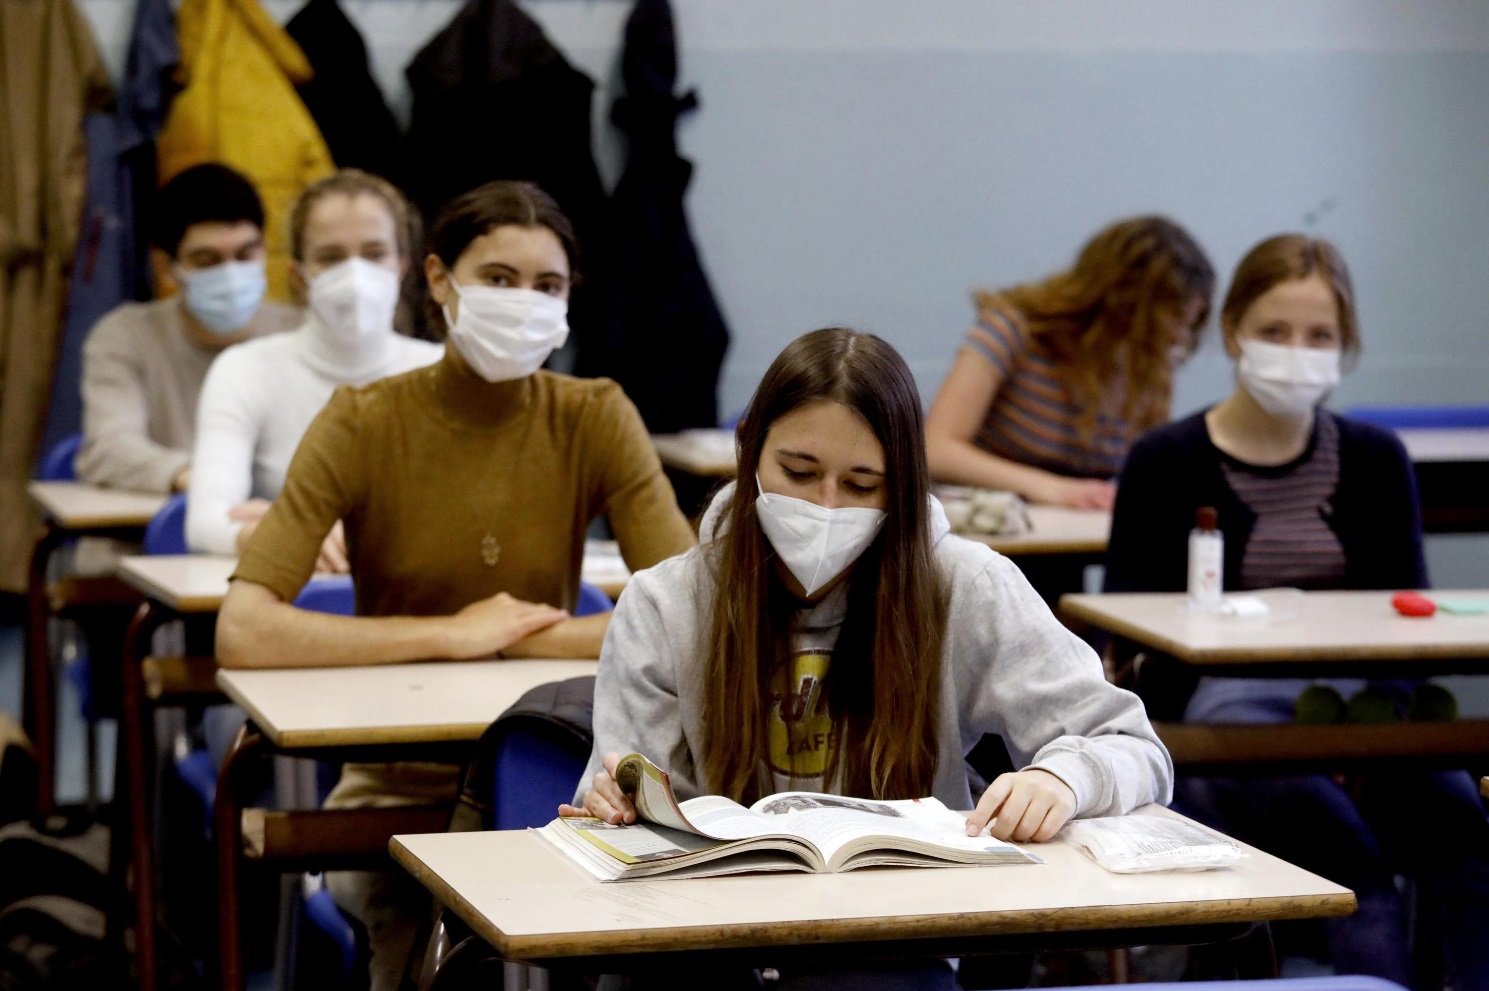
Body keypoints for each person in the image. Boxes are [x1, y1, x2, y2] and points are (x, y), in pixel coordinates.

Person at [565, 327, 1172, 988]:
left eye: (861, 484)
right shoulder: (666, 602)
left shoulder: (962, 584)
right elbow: (630, 808)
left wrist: (1062, 778)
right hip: (709, 940)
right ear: (748, 451)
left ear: (904, 485)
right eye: (797, 472)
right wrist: (614, 804)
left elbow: (1129, 743)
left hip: (892, 942)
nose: (825, 505)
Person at [215, 180, 695, 991]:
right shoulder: (362, 418)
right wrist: (447, 631)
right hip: (396, 773)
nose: (523, 303)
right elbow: (244, 629)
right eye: (498, 279)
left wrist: (513, 633)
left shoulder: (595, 413)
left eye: (547, 286)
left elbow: (690, 616)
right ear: (438, 281)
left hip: (564, 770)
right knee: (430, 957)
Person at [1104, 234, 1489, 988]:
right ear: (1231, 332)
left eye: (1320, 336)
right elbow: (1128, 645)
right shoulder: (1164, 460)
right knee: (1355, 874)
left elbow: (1407, 623)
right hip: (1222, 733)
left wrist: (1368, 735)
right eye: (1274, 332)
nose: (1296, 352)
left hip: (1369, 721)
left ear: (1345, 347)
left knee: (1464, 838)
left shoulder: (1377, 459)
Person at [185, 169, 441, 564]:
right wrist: (285, 535)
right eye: (330, 257)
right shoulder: (244, 370)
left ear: (403, 266)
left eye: (374, 254)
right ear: (298, 275)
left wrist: (293, 521)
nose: (355, 275)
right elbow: (205, 524)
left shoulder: (442, 373)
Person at [925, 216, 1214, 510]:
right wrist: (1053, 489)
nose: (1179, 338)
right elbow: (936, 448)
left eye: (1189, 324)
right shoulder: (1014, 330)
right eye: (1170, 322)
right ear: (1119, 303)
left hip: (1082, 540)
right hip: (995, 533)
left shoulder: (1150, 365)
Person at [78, 163, 300, 493]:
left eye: (245, 254)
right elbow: (108, 448)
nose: (230, 273)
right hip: (152, 531)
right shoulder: (125, 336)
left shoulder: (301, 333)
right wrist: (204, 480)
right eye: (207, 260)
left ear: (265, 251)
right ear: (166, 267)